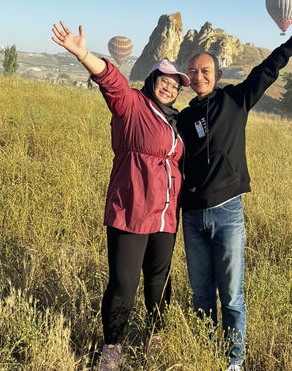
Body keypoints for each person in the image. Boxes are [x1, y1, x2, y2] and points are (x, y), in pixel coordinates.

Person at [177, 2, 292, 371]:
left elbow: (268, 70)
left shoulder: (235, 99)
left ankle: (234, 360)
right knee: (199, 296)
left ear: (218, 73)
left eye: (205, 70)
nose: (198, 76)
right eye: (192, 72)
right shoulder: (184, 117)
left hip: (227, 212)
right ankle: (204, 352)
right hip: (192, 216)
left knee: (231, 295)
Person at [51, 21, 189, 371]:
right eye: (164, 81)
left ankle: (155, 334)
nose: (169, 88)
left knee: (159, 280)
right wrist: (83, 54)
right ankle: (112, 346)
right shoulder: (132, 106)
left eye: (175, 85)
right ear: (152, 82)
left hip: (165, 216)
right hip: (131, 210)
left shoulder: (176, 123)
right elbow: (112, 82)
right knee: (124, 282)